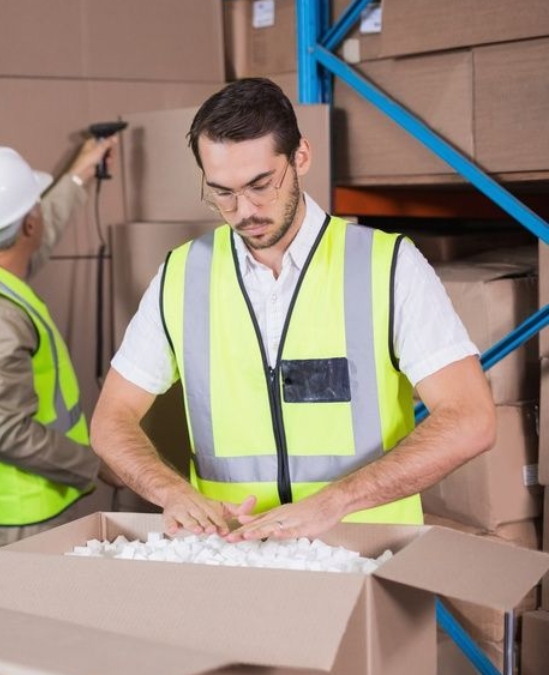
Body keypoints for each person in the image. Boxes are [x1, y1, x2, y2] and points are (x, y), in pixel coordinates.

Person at [90, 77, 496, 542]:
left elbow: (471, 418)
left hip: (368, 554)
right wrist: (171, 492)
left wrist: (334, 502)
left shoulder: (387, 266)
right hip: (235, 554)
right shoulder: (182, 276)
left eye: (261, 184)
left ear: (300, 156)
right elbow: (110, 418)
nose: (244, 210)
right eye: (222, 192)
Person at [0, 140, 123, 553]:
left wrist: (79, 174)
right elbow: (9, 432)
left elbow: (35, 237)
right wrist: (99, 465)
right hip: (26, 511)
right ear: (26, 225)